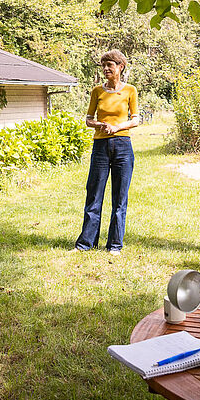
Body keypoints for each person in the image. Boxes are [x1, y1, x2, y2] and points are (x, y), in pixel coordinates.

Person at [74, 50, 140, 255]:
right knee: (94, 195)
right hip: (100, 147)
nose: (106, 69)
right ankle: (86, 243)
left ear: (120, 66)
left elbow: (136, 119)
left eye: (110, 65)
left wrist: (117, 127)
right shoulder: (97, 91)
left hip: (122, 146)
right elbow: (88, 119)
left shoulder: (130, 90)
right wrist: (99, 125)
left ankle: (115, 245)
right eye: (103, 65)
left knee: (120, 197)